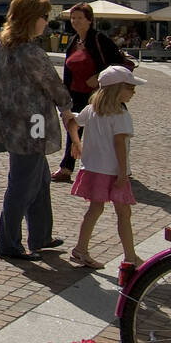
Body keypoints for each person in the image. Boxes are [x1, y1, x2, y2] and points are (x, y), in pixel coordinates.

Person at [0, 0, 82, 261]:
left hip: (11, 123)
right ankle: (8, 243)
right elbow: (55, 86)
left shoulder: (1, 46)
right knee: (22, 183)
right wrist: (68, 110)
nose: (46, 22)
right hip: (33, 125)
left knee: (39, 178)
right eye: (44, 17)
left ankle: (41, 235)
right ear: (31, 19)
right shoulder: (30, 51)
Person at [68, 65, 146, 271]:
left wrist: (76, 143)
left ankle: (81, 249)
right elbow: (120, 144)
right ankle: (130, 257)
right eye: (130, 88)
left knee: (95, 209)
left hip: (93, 168)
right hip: (112, 171)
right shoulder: (120, 114)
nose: (133, 92)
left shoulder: (92, 109)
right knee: (123, 214)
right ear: (117, 89)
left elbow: (72, 123)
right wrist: (123, 173)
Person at [53, 3, 125, 184]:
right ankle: (66, 168)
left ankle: (114, 167)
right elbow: (68, 68)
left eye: (79, 18)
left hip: (98, 95)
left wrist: (99, 76)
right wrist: (65, 92)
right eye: (73, 18)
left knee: (103, 132)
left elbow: (118, 63)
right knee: (73, 127)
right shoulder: (73, 41)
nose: (75, 21)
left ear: (89, 20)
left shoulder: (100, 39)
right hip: (76, 93)